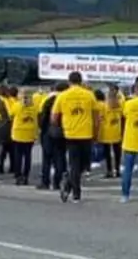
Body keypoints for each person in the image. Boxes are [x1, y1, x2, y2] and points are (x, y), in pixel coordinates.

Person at [52, 71, 97, 203]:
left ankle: (69, 183)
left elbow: (54, 118)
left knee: (74, 164)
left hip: (70, 134)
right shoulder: (89, 95)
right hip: (86, 134)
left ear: (69, 81)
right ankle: (75, 192)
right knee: (83, 164)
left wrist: (63, 124)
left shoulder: (63, 96)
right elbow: (96, 117)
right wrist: (96, 133)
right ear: (81, 81)